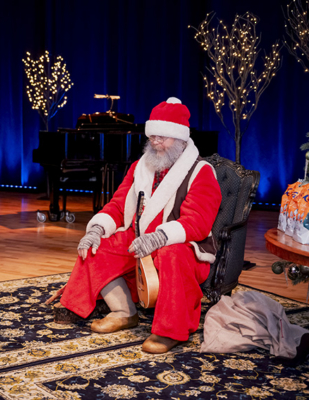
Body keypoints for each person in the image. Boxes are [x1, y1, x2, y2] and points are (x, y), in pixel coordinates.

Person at [58, 97, 222, 354]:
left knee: (172, 254)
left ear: (180, 139)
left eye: (162, 137)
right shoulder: (140, 167)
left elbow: (197, 222)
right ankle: (123, 311)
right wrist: (96, 229)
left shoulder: (201, 172)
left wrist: (159, 238)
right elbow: (117, 205)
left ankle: (170, 330)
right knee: (97, 247)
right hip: (140, 238)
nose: (155, 142)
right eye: (153, 136)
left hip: (182, 248)